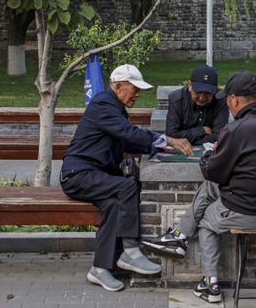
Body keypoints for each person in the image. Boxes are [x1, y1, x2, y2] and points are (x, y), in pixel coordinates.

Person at [142, 71, 256, 304]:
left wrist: (210, 155)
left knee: (206, 223)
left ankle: (209, 285)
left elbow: (212, 171)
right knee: (212, 187)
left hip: (249, 212)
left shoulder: (238, 129)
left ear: (234, 99)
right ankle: (179, 236)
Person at [60, 64, 193, 292]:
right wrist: (167, 139)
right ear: (119, 86)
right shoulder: (104, 104)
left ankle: (99, 269)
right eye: (135, 88)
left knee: (113, 205)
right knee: (127, 186)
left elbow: (128, 140)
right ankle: (131, 251)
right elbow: (127, 133)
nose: (138, 94)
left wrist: (161, 147)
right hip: (78, 175)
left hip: (93, 175)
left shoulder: (114, 107)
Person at [165, 65, 230, 146]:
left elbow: (219, 136)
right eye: (198, 92)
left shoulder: (221, 100)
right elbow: (171, 135)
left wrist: (187, 141)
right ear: (190, 86)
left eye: (207, 93)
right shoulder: (176, 99)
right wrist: (201, 130)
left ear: (215, 90)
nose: (202, 98)